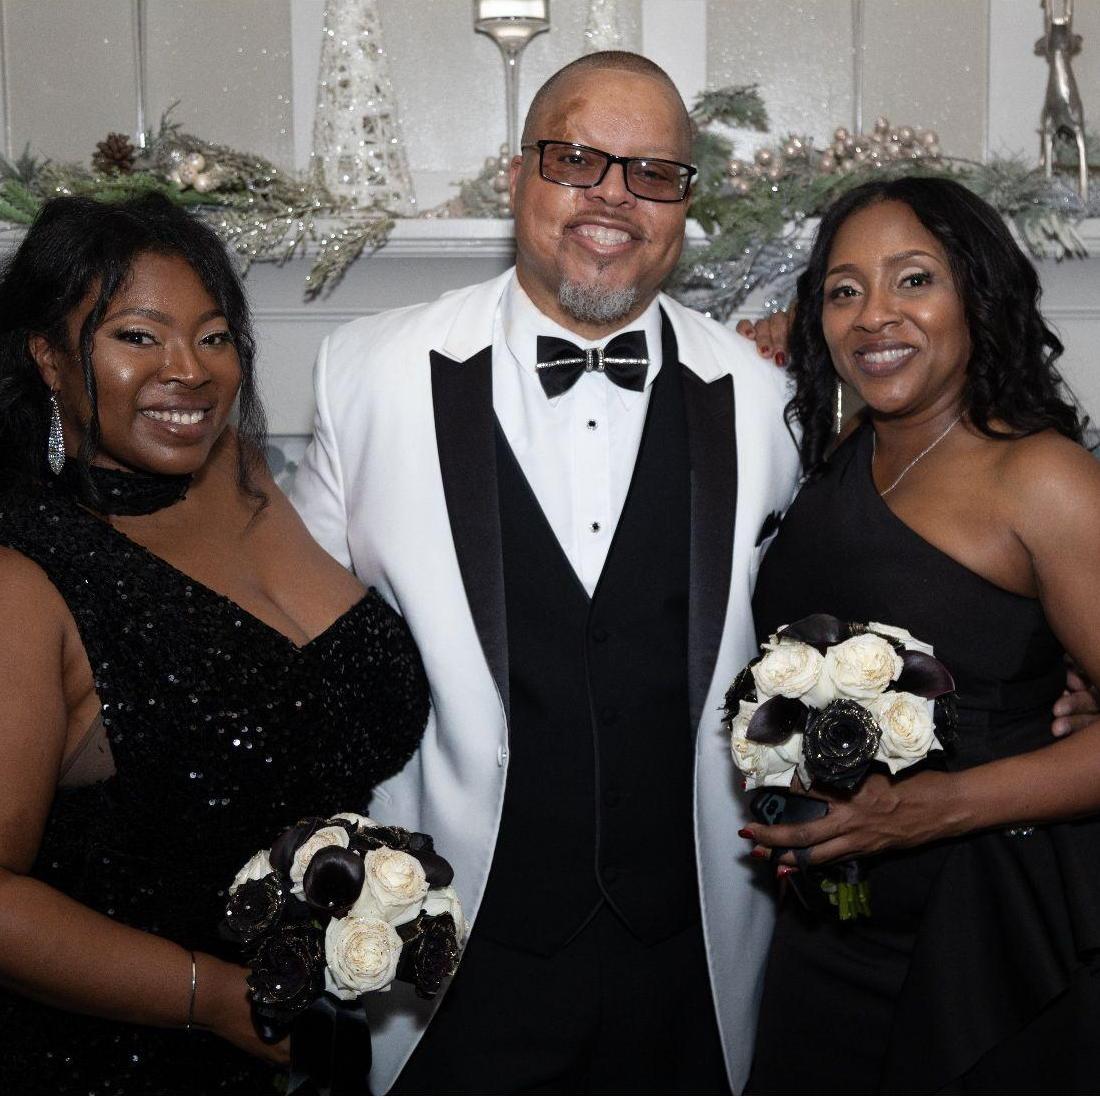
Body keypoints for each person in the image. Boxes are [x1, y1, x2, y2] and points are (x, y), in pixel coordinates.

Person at [290, 50, 801, 1094]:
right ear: (515, 175)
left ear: (684, 206)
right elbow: (292, 642)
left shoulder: (760, 391)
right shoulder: (368, 373)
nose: (613, 196)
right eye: (577, 159)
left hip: (690, 960)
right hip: (450, 955)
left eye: (652, 172)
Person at [0, 195, 429, 1093]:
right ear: (46, 356)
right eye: (138, 337)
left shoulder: (236, 469)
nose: (188, 371)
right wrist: (213, 998)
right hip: (136, 1055)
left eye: (214, 336)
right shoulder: (21, 580)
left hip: (312, 1041)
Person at [743, 176, 1100, 1093]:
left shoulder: (1041, 479)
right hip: (828, 928)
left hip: (983, 939)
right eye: (844, 290)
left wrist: (939, 807)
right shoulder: (845, 448)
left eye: (913, 280)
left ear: (975, 295)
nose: (874, 315)